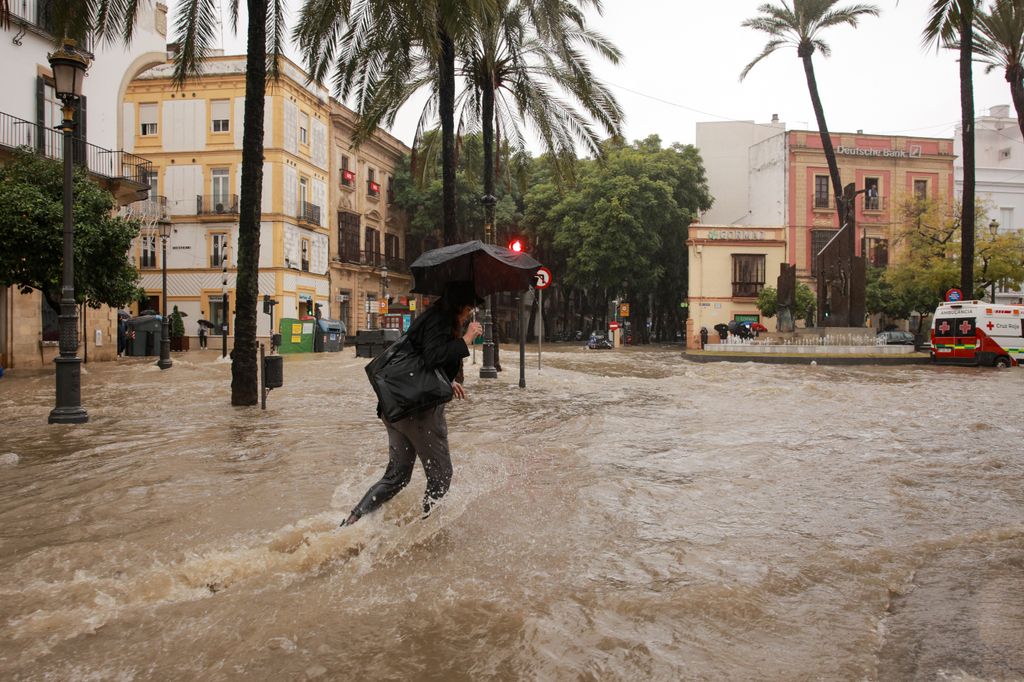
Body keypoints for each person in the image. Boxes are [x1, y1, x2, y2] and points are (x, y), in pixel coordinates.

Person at [341, 282, 484, 527]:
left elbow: (419, 360)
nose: (470, 313)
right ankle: (427, 529)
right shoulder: (440, 321)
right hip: (418, 410)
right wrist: (467, 339)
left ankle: (351, 522)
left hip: (395, 408)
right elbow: (432, 357)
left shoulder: (429, 320)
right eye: (469, 307)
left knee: (397, 476)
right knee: (441, 475)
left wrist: (447, 382)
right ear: (460, 306)